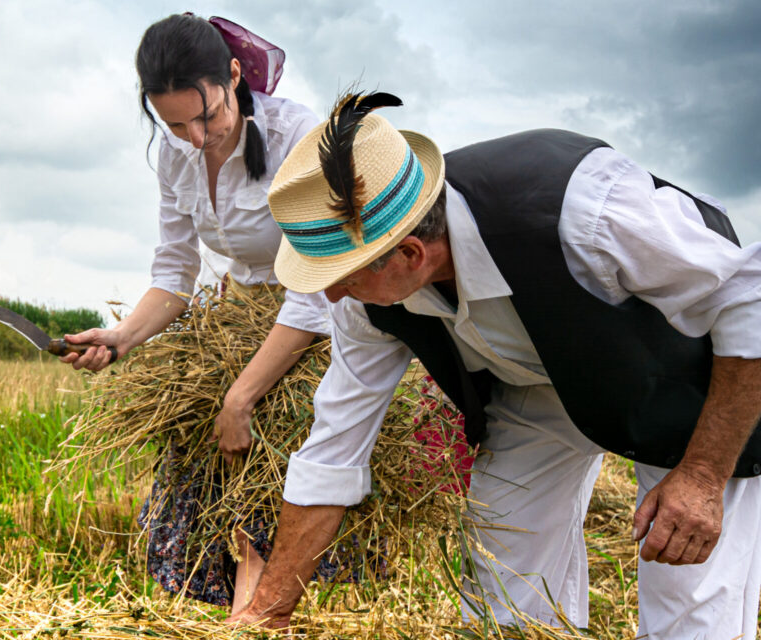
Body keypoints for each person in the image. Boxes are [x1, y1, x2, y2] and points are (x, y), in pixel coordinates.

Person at [225, 91, 761, 638]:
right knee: (504, 591)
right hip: (536, 390)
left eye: (342, 276)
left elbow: (751, 299)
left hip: (683, 381)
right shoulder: (366, 305)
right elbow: (334, 451)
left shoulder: (581, 208)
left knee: (689, 606)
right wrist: (264, 616)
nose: (333, 296)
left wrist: (703, 475)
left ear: (410, 255)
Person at [57, 14, 338, 613]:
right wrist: (121, 337)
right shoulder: (175, 154)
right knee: (218, 493)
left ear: (234, 75)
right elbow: (174, 273)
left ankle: (255, 620)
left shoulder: (297, 138)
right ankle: (246, 620)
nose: (192, 136)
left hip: (313, 327)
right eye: (173, 122)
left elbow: (313, 293)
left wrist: (241, 398)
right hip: (233, 323)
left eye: (204, 115)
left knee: (267, 485)